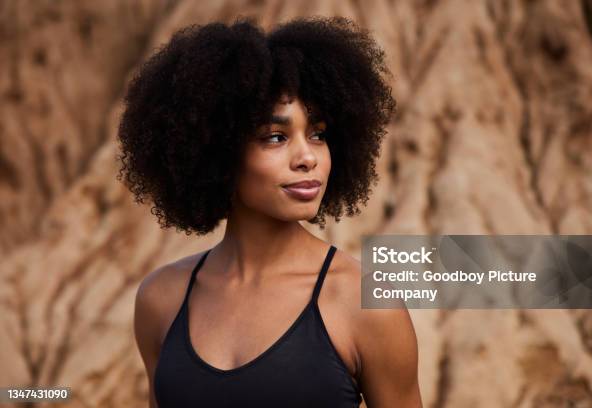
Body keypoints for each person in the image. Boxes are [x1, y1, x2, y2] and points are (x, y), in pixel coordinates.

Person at [118, 15, 422, 407]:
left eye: (318, 134)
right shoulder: (161, 299)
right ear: (217, 150)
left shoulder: (365, 304)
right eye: (276, 137)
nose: (307, 158)